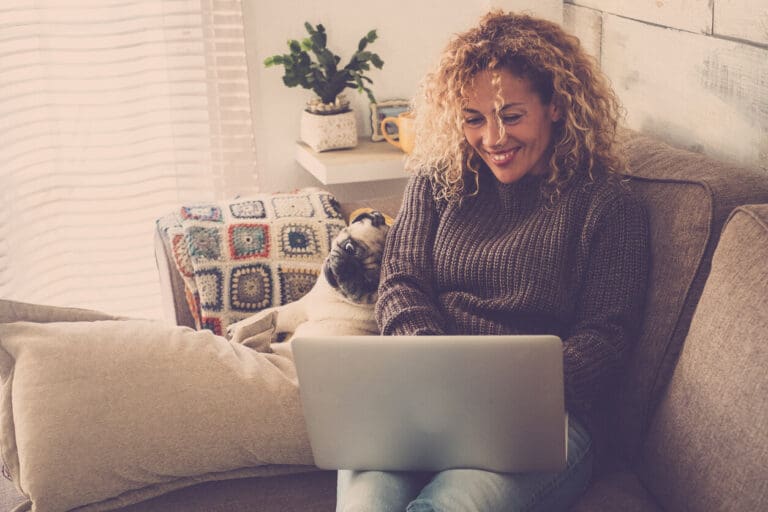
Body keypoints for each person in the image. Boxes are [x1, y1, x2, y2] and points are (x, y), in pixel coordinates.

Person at [337, 10, 650, 512]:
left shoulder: (609, 205)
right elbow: (401, 280)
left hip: (543, 420)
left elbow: (606, 338)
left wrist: (502, 393)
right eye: (474, 118)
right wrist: (434, 364)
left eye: (511, 115)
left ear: (555, 105)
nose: (492, 139)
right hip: (425, 398)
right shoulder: (438, 179)